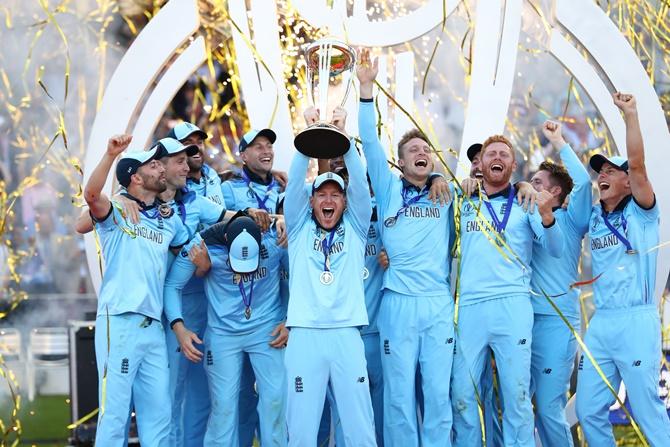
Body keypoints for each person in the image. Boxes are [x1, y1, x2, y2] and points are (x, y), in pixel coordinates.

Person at [357, 48, 454, 446]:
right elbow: (368, 140)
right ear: (399, 162)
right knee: (398, 397)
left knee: (437, 395)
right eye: (413, 151)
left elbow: (485, 190)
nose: (421, 153)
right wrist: (366, 88)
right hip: (396, 303)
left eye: (426, 150)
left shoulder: (444, 192)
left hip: (436, 303)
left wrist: (438, 175)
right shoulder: (388, 187)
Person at [450, 133, 563, 447]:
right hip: (470, 307)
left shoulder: (526, 201)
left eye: (504, 154)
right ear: (480, 164)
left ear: (513, 165)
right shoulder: (464, 199)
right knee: (462, 392)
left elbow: (555, 248)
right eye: (490, 154)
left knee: (516, 395)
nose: (496, 158)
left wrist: (547, 216)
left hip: (512, 306)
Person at [576, 93, 670, 446]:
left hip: (636, 320)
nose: (602, 174)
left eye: (611, 171)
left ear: (628, 182)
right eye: (600, 171)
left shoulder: (642, 212)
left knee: (647, 410)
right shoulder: (597, 215)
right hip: (602, 323)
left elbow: (638, 163)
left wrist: (631, 115)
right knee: (588, 410)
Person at [84, 135, 189, 446]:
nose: (160, 169)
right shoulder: (116, 210)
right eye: (153, 164)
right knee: (114, 416)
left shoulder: (168, 220)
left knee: (160, 417)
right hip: (119, 321)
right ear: (135, 175)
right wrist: (109, 154)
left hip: (153, 329)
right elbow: (91, 195)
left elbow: (188, 250)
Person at [283, 106, 376, 445]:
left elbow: (362, 191)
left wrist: (344, 139)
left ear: (344, 201)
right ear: (311, 202)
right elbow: (294, 185)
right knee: (301, 429)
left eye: (335, 194)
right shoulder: (297, 228)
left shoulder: (355, 226)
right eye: (321, 193)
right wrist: (307, 138)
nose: (328, 199)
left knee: (359, 427)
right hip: (305, 334)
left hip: (346, 333)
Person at [164, 215, 288, 446]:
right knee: (223, 407)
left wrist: (289, 319)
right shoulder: (201, 247)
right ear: (225, 240)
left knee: (276, 401)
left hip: (266, 331)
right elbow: (172, 285)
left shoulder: (275, 241)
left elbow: (300, 278)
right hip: (223, 335)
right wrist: (179, 328)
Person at [221, 127, 286, 446]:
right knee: (237, 401)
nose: (266, 150)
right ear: (242, 155)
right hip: (231, 308)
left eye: (269, 146)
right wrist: (246, 215)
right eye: (257, 146)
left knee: (276, 398)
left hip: (270, 308)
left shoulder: (284, 187)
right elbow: (215, 227)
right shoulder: (228, 188)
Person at [528, 120, 591, 447]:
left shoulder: (572, 218)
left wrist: (558, 141)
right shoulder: (523, 218)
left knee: (550, 407)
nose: (530, 184)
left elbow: (582, 183)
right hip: (523, 321)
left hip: (557, 322)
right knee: (519, 405)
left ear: (555, 192)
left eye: (537, 181)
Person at [168, 122, 225, 206]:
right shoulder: (172, 186)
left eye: (200, 142)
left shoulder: (211, 173)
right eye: (188, 143)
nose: (197, 148)